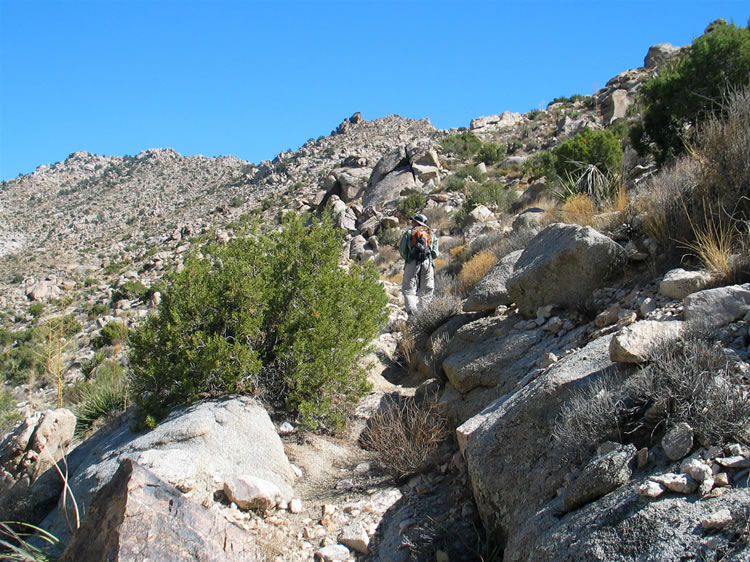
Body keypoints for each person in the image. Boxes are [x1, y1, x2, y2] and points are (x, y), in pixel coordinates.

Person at [398, 213, 440, 316]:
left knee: (408, 290)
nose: (411, 223)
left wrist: (410, 257)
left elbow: (403, 251)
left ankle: (413, 315)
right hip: (428, 263)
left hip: (412, 262)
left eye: (413, 221)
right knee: (426, 292)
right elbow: (435, 253)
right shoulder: (432, 235)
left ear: (417, 222)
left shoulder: (408, 233)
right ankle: (422, 316)